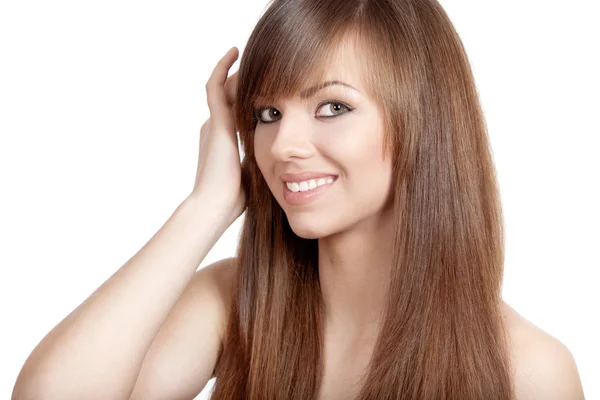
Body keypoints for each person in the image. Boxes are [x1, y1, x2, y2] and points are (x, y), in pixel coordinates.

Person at [12, 0, 585, 399]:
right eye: (267, 114)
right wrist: (206, 205)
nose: (283, 145)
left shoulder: (526, 371)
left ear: (423, 124)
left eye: (332, 107)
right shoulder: (235, 305)